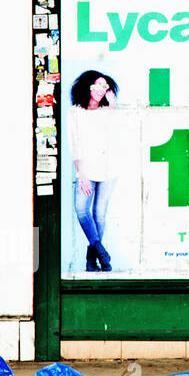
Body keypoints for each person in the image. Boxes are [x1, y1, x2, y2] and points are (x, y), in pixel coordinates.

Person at [68, 70, 120, 273]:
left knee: (99, 214)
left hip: (109, 167)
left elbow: (116, 132)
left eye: (105, 86)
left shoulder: (107, 111)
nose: (102, 90)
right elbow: (74, 144)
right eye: (98, 85)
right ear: (88, 85)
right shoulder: (76, 112)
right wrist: (80, 173)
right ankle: (100, 250)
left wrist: (113, 103)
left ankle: (91, 260)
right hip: (86, 170)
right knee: (82, 211)